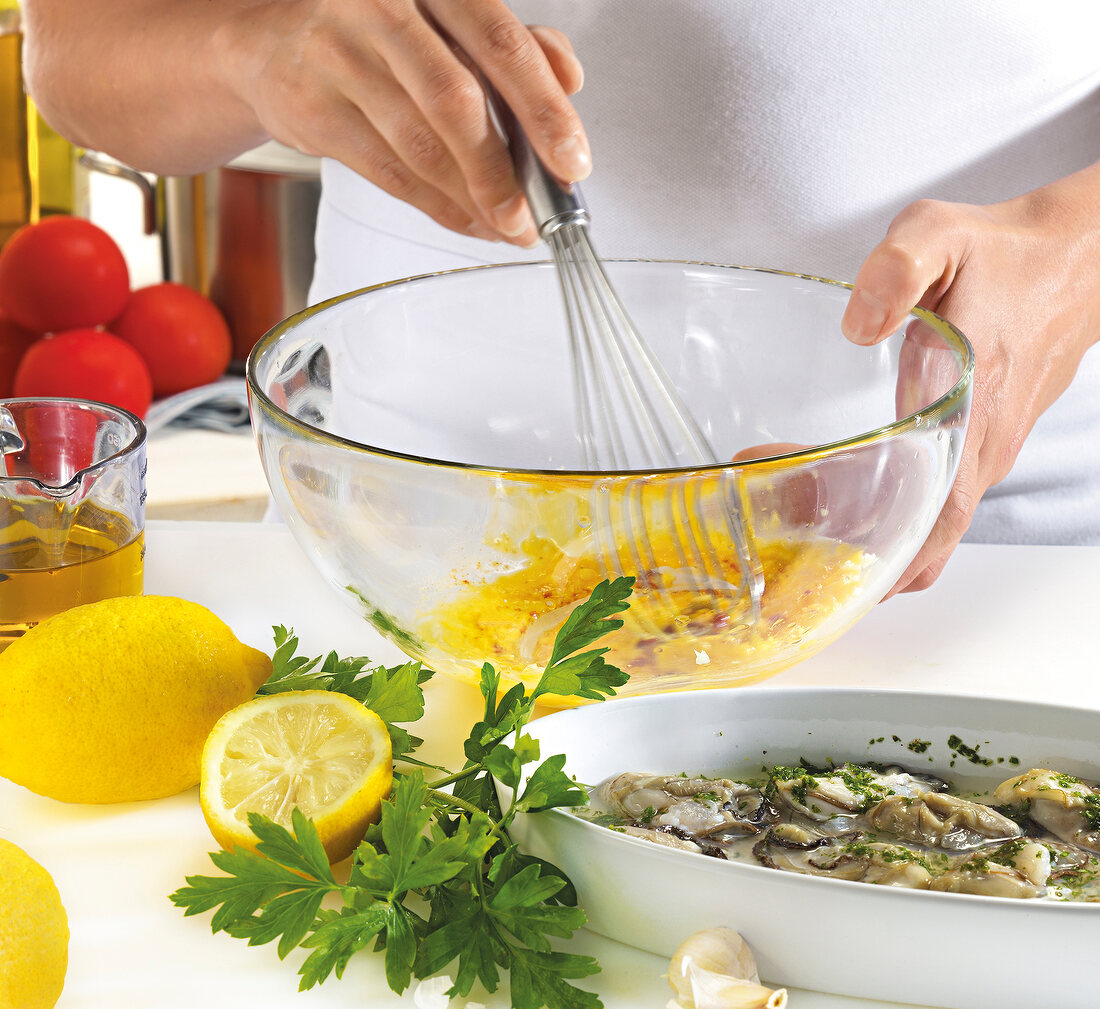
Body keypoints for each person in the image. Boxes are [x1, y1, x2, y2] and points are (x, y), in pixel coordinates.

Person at [21, 1, 1100, 595]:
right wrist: (251, 50)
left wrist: (1070, 245)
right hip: (411, 567)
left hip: (982, 567)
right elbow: (76, 54)